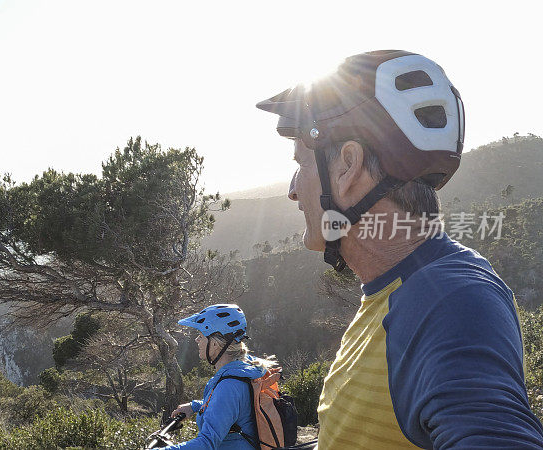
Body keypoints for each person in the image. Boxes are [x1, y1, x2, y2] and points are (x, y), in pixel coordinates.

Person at [256, 50, 543, 448]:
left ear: (348, 166)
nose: (291, 191)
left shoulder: (452, 300)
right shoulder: (397, 290)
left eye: (301, 164)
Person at [162, 304, 278, 449]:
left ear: (215, 344)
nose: (197, 340)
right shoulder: (246, 367)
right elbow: (230, 404)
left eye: (200, 335)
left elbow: (206, 444)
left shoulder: (229, 385)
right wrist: (195, 406)